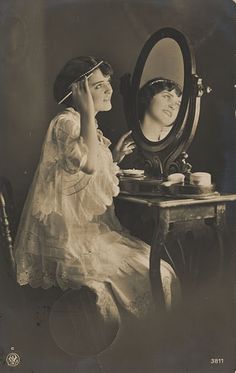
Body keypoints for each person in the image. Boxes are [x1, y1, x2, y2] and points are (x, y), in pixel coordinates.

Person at [14, 56, 180, 322]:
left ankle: (151, 334)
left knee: (155, 265)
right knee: (151, 271)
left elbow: (78, 174)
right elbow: (89, 165)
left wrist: (112, 157)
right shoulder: (68, 122)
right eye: (99, 86)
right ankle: (143, 337)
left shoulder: (81, 123)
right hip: (69, 236)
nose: (109, 90)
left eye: (108, 83)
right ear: (78, 93)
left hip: (86, 229)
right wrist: (88, 114)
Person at [138, 77, 182, 142]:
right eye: (167, 96)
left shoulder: (174, 148)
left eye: (178, 104)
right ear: (148, 96)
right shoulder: (121, 143)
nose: (173, 106)